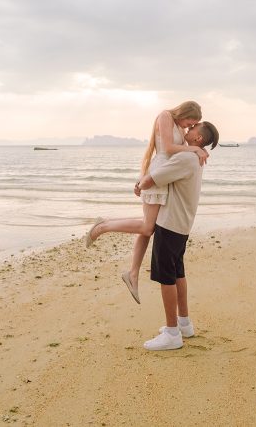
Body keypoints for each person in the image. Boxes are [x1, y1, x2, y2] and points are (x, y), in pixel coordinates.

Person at [84, 101, 209, 304]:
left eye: (192, 125)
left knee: (147, 228)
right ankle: (103, 226)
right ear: (184, 113)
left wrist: (196, 149)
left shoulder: (178, 126)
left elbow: (178, 153)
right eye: (189, 122)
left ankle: (133, 274)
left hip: (164, 176)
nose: (188, 127)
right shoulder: (165, 116)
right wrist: (194, 148)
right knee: (146, 227)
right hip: (159, 173)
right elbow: (168, 149)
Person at [136, 120, 219, 351]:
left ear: (198, 138)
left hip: (170, 223)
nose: (187, 129)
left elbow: (154, 178)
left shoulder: (186, 158)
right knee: (178, 273)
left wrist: (139, 185)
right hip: (182, 224)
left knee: (166, 278)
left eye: (192, 128)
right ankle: (184, 324)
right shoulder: (196, 157)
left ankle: (172, 333)